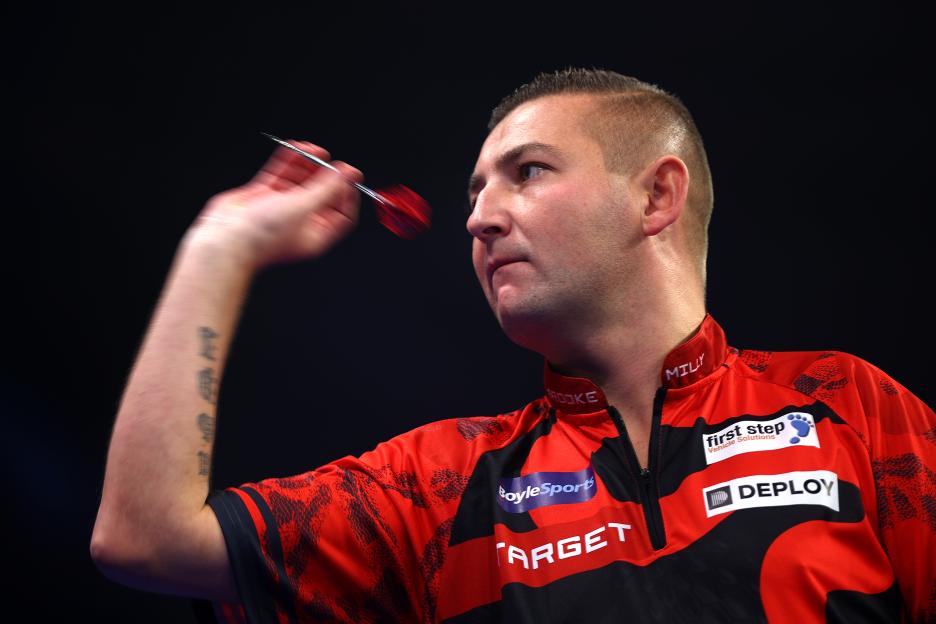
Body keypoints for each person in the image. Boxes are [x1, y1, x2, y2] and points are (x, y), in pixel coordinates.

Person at [91, 69, 936, 623]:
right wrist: (218, 248)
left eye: (526, 171)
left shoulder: (848, 409)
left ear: (656, 197)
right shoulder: (440, 486)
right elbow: (148, 540)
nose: (478, 216)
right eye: (475, 189)